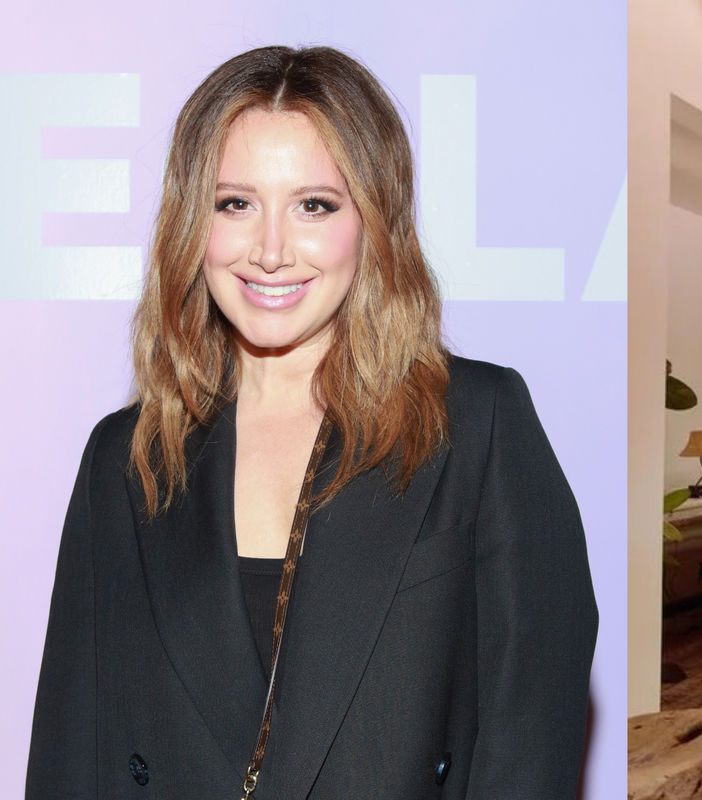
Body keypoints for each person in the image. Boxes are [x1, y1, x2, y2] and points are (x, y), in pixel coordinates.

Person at [25, 45, 597, 799]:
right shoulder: (126, 456)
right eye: (235, 204)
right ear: (192, 222)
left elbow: (532, 739)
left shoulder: (478, 426)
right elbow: (72, 747)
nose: (269, 251)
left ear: (373, 220)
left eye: (313, 205)